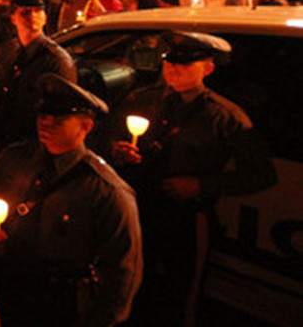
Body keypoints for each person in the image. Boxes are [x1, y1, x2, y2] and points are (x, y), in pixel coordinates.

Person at [109, 32, 277, 326]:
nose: (173, 68)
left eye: (185, 64)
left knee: (180, 293)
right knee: (132, 283)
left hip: (185, 218)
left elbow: (261, 174)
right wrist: (118, 151)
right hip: (141, 208)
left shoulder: (224, 116)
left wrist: (201, 185)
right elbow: (109, 137)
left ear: (207, 69)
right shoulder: (144, 99)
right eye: (169, 62)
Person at [0, 74, 143, 327]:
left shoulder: (105, 190)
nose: (46, 123)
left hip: (62, 305)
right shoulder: (13, 160)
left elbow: (122, 270)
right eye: (43, 115)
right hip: (9, 291)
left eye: (60, 119)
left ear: (85, 127)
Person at [0, 0, 76, 156]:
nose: (32, 16)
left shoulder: (56, 60)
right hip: (3, 142)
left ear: (45, 18)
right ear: (13, 18)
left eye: (38, 11)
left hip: (35, 147)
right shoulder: (7, 51)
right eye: (25, 12)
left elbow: (63, 114)